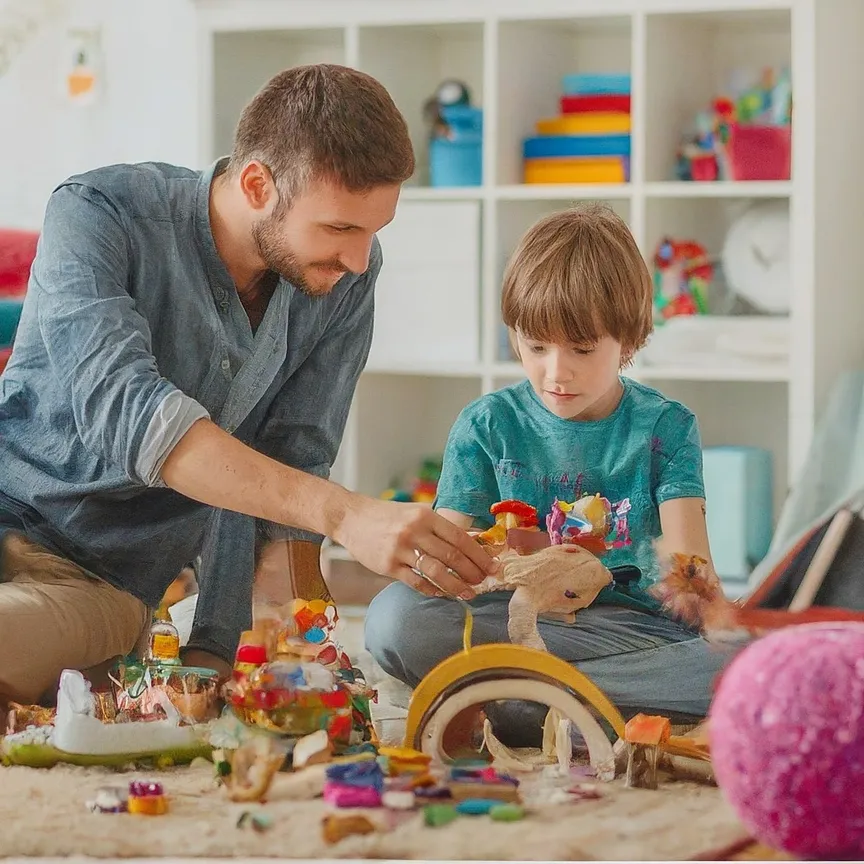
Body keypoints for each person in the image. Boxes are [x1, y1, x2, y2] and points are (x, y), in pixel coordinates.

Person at [0, 64, 498, 710]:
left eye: (374, 231)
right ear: (259, 184)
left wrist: (236, 647)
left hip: (95, 578)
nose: (358, 259)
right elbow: (132, 415)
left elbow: (290, 458)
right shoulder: (99, 213)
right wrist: (350, 514)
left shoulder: (345, 279)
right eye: (340, 228)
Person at [365, 203, 733, 745]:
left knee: (745, 663)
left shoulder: (666, 428)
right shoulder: (488, 425)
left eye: (582, 350)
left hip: (625, 628)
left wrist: (702, 598)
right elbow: (440, 568)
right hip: (513, 619)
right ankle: (567, 706)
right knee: (394, 620)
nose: (555, 372)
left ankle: (509, 699)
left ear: (629, 342)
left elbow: (690, 567)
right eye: (535, 347)